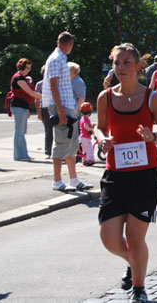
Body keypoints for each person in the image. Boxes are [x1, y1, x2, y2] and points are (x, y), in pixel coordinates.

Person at [96, 43, 157, 303]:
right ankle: (135, 262)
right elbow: (99, 128)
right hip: (115, 174)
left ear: (139, 66)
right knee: (109, 237)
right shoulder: (104, 97)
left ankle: (139, 290)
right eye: (117, 63)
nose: (120, 68)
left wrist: (153, 136)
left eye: (126, 63)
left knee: (134, 236)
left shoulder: (152, 98)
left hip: (146, 175)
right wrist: (102, 139)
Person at [42, 31, 93, 192]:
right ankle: (57, 180)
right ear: (70, 44)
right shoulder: (57, 59)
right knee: (61, 142)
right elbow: (53, 85)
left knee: (71, 142)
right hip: (61, 106)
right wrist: (61, 111)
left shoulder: (60, 58)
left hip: (65, 105)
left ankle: (73, 179)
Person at [10, 58, 42, 161]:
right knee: (19, 131)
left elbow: (26, 95)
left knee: (22, 131)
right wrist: (48, 97)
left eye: (29, 68)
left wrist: (27, 109)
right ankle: (19, 155)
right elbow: (30, 92)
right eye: (27, 67)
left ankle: (23, 154)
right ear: (21, 67)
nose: (28, 70)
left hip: (22, 107)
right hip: (18, 106)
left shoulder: (22, 77)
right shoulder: (18, 78)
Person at [35, 65, 53, 159]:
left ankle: (59, 151)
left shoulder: (55, 83)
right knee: (48, 131)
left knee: (59, 130)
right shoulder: (39, 84)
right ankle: (48, 152)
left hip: (54, 108)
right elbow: (37, 100)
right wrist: (38, 113)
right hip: (45, 109)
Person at [79, 102, 95, 166]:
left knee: (84, 149)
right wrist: (91, 129)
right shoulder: (86, 119)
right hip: (85, 137)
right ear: (90, 112)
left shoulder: (82, 118)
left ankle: (84, 160)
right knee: (90, 148)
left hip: (82, 137)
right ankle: (89, 160)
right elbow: (86, 126)